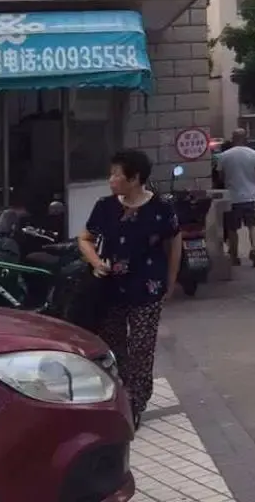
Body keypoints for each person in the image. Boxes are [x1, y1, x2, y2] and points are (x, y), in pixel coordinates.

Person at [77, 149, 180, 430]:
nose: (111, 180)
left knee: (141, 349)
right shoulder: (105, 207)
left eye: (116, 175)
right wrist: (95, 262)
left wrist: (171, 281)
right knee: (114, 347)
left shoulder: (161, 208)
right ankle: (121, 394)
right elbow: (85, 238)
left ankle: (136, 403)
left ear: (134, 178)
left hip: (147, 288)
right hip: (111, 288)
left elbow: (174, 243)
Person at [217, 128, 255, 266]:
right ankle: (254, 249)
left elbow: (220, 176)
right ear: (246, 138)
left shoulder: (224, 156)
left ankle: (234, 255)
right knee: (254, 225)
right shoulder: (253, 154)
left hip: (232, 198)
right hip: (251, 196)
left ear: (232, 139)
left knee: (232, 228)